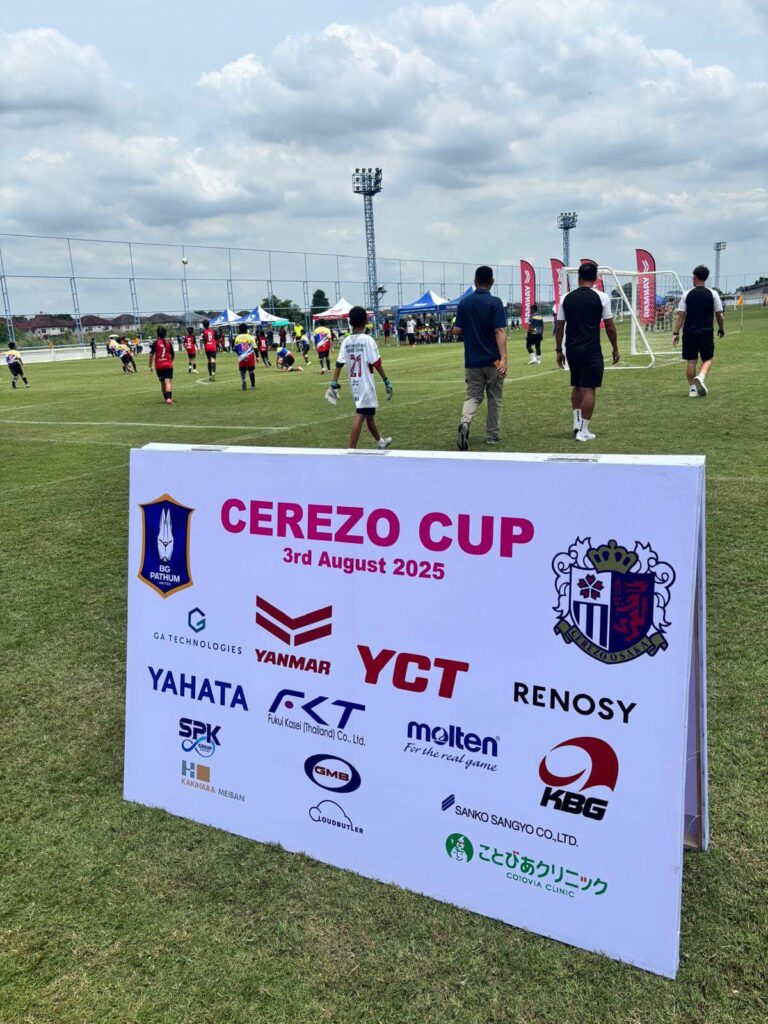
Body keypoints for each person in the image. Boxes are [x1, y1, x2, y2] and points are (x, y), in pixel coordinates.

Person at [555, 262, 619, 442]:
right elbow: (610, 326)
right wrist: (615, 347)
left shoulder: (566, 297)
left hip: (572, 349)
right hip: (591, 349)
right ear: (596, 278)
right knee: (589, 388)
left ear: (579, 277)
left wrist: (559, 350)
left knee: (577, 385)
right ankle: (583, 431)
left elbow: (559, 326)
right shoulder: (602, 297)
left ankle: (576, 423)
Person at [453, 265, 508, 449]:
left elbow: (457, 330)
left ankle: (465, 422)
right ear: (492, 282)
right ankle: (492, 435)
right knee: (494, 398)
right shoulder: (495, 303)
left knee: (473, 396)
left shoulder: (464, 303)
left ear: (475, 281)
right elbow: (499, 330)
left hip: (472, 360)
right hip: (493, 360)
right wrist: (504, 358)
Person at [326, 305, 393, 449]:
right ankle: (351, 449)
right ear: (366, 321)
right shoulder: (367, 340)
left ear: (350, 322)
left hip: (355, 383)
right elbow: (376, 363)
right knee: (361, 414)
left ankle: (380, 442)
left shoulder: (346, 341)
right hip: (366, 383)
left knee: (369, 414)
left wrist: (334, 382)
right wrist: (386, 380)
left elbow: (339, 363)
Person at [672, 265, 724, 397]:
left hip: (689, 332)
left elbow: (681, 315)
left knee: (691, 361)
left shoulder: (686, 294)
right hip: (706, 331)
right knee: (708, 358)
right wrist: (721, 328)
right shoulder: (713, 294)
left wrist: (676, 333)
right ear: (705, 278)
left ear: (694, 278)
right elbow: (719, 314)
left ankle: (692, 390)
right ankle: (701, 376)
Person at [148, 326, 175, 405]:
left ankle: (166, 398)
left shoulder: (155, 343)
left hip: (159, 365)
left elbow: (151, 354)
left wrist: (150, 366)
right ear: (165, 334)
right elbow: (172, 354)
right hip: (168, 365)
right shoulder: (168, 343)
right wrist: (170, 361)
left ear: (157, 334)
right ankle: (169, 398)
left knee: (163, 382)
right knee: (168, 381)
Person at [234, 323, 257, 391]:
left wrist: (239, 354)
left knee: (242, 371)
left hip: (241, 356)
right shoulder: (250, 337)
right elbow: (255, 347)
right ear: (247, 329)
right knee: (251, 371)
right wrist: (258, 356)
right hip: (250, 356)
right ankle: (253, 386)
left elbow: (235, 348)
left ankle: (244, 381)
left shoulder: (237, 338)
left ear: (239, 330)